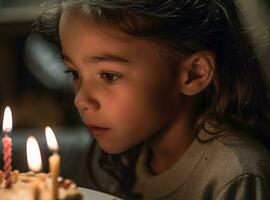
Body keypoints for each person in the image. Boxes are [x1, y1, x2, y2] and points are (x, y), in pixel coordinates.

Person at [33, 0, 270, 199]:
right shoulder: (115, 159)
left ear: (193, 74)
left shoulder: (235, 176)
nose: (80, 100)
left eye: (109, 75)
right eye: (74, 73)